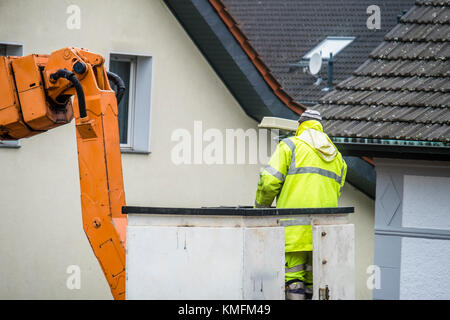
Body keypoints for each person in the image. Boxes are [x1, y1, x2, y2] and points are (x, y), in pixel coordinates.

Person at [254, 109, 347, 300]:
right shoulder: (338, 158)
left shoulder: (290, 146)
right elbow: (335, 193)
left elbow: (269, 182)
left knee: (293, 280)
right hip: (321, 235)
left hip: (292, 233)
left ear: (300, 126)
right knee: (314, 283)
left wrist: (259, 209)